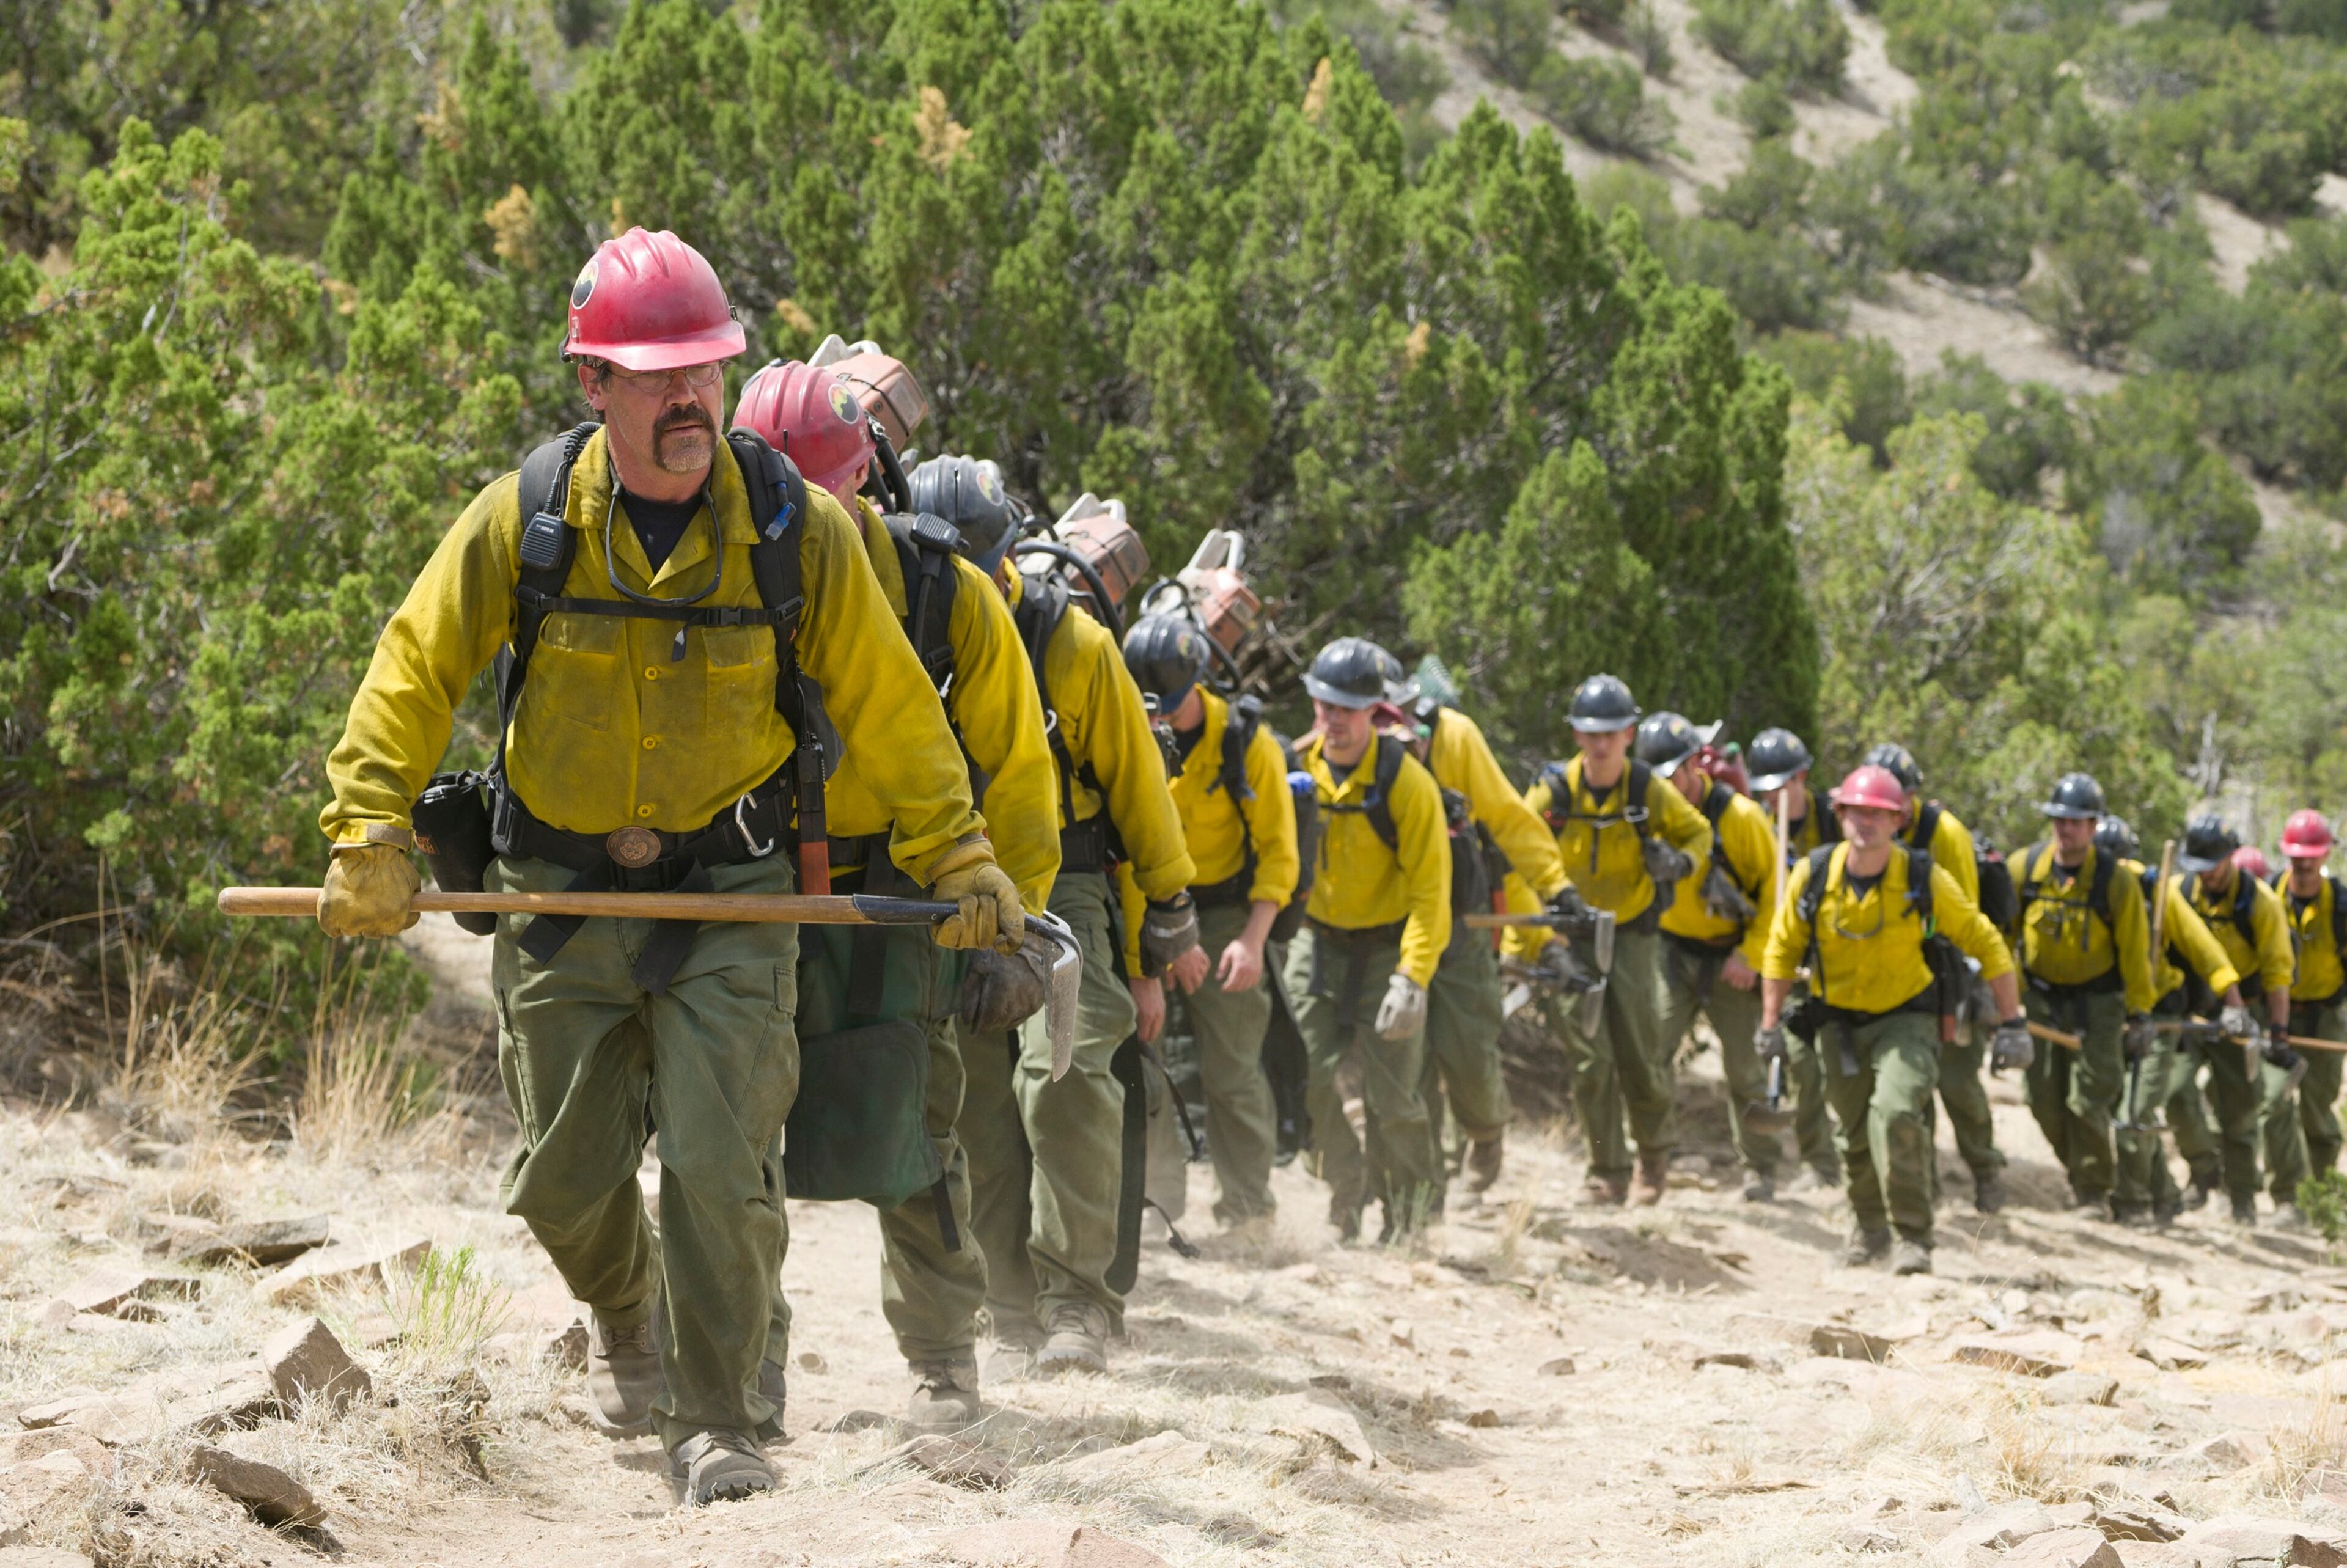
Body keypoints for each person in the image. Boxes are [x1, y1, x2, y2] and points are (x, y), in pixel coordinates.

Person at [315, 229, 1022, 1504]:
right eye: (658, 375)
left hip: (734, 895)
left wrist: (960, 854)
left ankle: (717, 1422)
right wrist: (368, 826)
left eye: (708, 368)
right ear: (595, 383)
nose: (691, 396)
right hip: (557, 894)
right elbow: (414, 666)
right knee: (563, 1181)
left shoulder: (796, 531)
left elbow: (894, 704)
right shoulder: (527, 517)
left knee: (722, 1167)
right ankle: (626, 1310)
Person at [731, 368, 1061, 1434]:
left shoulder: (945, 593)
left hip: (906, 898)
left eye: (820, 494)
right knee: (732, 1139)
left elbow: (1018, 769)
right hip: (747, 887)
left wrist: (1018, 929)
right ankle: (744, 1370)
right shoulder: (711, 574)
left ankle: (944, 1365)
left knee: (918, 1138)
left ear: (867, 484)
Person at [957, 500, 1197, 1378]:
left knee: (1064, 1075)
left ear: (1007, 559)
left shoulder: (1076, 646)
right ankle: (1006, 1305)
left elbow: (1139, 785)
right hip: (956, 883)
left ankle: (1078, 1302)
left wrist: (1167, 910)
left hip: (1068, 882)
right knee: (975, 1099)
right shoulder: (911, 622)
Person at [1758, 764, 2024, 1275]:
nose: (1866, 823)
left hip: (1906, 1019)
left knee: (1897, 1113)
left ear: (1898, 821)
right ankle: (1869, 1228)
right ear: (1840, 815)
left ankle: (1913, 1236)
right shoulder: (1814, 875)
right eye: (1857, 812)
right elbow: (1781, 950)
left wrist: (2011, 1022)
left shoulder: (1922, 877)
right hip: (1836, 1021)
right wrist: (1769, 1025)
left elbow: (1986, 941)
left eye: (1878, 814)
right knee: (1853, 1133)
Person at [1118, 612, 1299, 1232]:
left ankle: (1249, 1212)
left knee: (1232, 1069)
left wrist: (1252, 942)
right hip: (1148, 907)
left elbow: (1280, 856)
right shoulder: (1128, 734)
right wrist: (1160, 947)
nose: (1160, 717)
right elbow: (1128, 851)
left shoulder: (1246, 743)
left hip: (1227, 917)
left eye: (1168, 704)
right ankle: (1157, 1207)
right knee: (1148, 1062)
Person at [1519, 675, 1714, 1207]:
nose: (1601, 744)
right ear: (1576, 735)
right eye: (1591, 733)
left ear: (1629, 734)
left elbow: (1698, 832)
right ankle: (1606, 1171)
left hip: (1631, 937)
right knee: (1590, 1060)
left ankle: (1654, 1157)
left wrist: (1680, 862)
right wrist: (1540, 942)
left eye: (1611, 733)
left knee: (1641, 1054)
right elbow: (1518, 848)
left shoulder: (1646, 789)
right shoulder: (1554, 790)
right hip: (1572, 936)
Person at [1285, 637, 1452, 1241]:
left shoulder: (1407, 784)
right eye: (1324, 705)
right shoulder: (1295, 769)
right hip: (1318, 943)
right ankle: (1346, 1190)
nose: (1333, 719)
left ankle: (1409, 1218)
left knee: (1394, 1096)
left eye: (1347, 709)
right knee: (1307, 1075)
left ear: (1374, 712)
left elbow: (1432, 895)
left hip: (1389, 949)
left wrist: (1412, 977)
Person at [1390, 662, 1568, 1195]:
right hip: (1394, 926)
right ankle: (1427, 1190)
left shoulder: (1457, 741)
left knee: (1468, 1055)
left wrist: (1552, 912)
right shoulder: (1357, 747)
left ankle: (1486, 1132)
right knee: (1409, 1063)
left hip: (1462, 925)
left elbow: (1507, 837)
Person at [1637, 714, 1785, 1201]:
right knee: (1649, 1053)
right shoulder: (1647, 814)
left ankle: (1760, 1168)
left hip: (1732, 957)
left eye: (1672, 776)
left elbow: (1777, 899)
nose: (1666, 788)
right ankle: (1648, 1159)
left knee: (1746, 1071)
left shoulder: (1742, 819)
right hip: (1671, 951)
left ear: (1694, 766)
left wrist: (1751, 955)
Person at [1863, 743, 2008, 1214]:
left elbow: (1964, 918)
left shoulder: (1946, 834)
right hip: (1897, 976)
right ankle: (1922, 1184)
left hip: (1949, 976)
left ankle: (1986, 1172)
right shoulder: (1866, 836)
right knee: (1910, 1087)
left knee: (1959, 1082)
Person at [2009, 773, 2156, 1220]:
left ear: (2094, 826)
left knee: (2089, 1099)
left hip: (2100, 1004)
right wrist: (2000, 996)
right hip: (2041, 1001)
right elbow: (2002, 935)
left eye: (2076, 822)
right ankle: (2083, 1172)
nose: (2065, 829)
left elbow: (2134, 954)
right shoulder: (2024, 869)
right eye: (2059, 820)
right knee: (2042, 1099)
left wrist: (2141, 1013)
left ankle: (2093, 1191)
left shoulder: (2116, 882)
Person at [2095, 815, 2251, 1225]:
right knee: (2120, 1104)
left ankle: (2132, 1201)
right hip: (2110, 1013)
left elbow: (2206, 950)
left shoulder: (2153, 889)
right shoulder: (2086, 886)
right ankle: (2165, 1195)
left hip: (2159, 1016)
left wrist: (2234, 1003)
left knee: (2137, 1108)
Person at [2180, 814, 2308, 1225]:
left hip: (2244, 1014)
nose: (2205, 876)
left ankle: (2242, 1199)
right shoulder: (2181, 893)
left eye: (2212, 866)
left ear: (2229, 858)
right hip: (2191, 1012)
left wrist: (2278, 1033)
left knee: (2239, 1111)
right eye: (2198, 868)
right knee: (2176, 1090)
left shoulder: (2261, 904)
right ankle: (2203, 1172)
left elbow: (2278, 975)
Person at [1745, 727, 1842, 1188]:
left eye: (1780, 786)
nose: (1772, 797)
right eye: (1764, 788)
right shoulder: (1757, 826)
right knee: (1785, 1059)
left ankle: (1833, 1162)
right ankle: (1792, 1165)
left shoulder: (1835, 822)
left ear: (1802, 777)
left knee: (1824, 1068)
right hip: (1777, 958)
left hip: (1830, 959)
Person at [2277, 811, 2347, 1177]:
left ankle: (2318, 1189)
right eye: (2297, 857)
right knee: (2273, 1104)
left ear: (2326, 855)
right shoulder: (2267, 898)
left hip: (2326, 1017)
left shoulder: (2342, 905)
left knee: (2318, 1109)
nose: (2304, 865)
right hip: (2277, 1015)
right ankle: (2285, 1191)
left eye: (2311, 857)